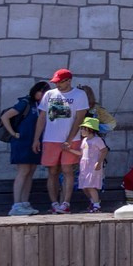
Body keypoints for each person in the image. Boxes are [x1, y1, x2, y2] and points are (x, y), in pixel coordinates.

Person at [35, 69, 91, 215]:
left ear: (68, 81)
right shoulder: (49, 94)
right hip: (50, 138)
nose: (58, 85)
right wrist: (36, 138)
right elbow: (42, 117)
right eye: (56, 82)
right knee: (52, 171)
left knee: (67, 170)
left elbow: (80, 118)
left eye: (60, 82)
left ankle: (66, 203)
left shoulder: (79, 94)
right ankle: (54, 203)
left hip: (72, 139)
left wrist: (70, 139)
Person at [1, 78, 47, 216]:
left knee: (30, 171)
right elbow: (5, 117)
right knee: (23, 171)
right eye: (41, 92)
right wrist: (13, 133)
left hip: (34, 142)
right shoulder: (25, 103)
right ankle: (16, 204)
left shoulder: (41, 106)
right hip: (22, 142)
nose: (43, 95)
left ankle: (24, 202)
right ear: (36, 91)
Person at [71, 104, 113, 213]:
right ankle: (93, 201)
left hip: (94, 166)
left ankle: (96, 205)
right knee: (85, 186)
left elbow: (104, 150)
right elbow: (81, 153)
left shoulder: (97, 140)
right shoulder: (84, 141)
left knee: (91, 186)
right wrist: (68, 150)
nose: (81, 131)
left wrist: (99, 162)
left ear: (90, 129)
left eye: (83, 129)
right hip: (85, 167)